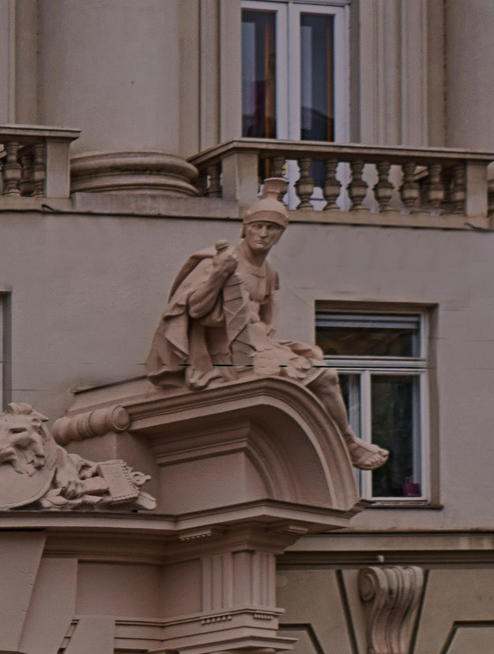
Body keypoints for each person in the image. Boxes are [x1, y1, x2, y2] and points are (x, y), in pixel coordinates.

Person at [147, 178, 391, 470]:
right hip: (228, 357)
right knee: (320, 377)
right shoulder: (218, 261)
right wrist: (216, 277)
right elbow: (194, 310)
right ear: (244, 228)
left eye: (271, 228)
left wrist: (268, 333)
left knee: (325, 374)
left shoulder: (268, 272)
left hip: (260, 347)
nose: (263, 234)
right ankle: (348, 442)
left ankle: (347, 440)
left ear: (280, 233)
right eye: (257, 226)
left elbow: (266, 313)